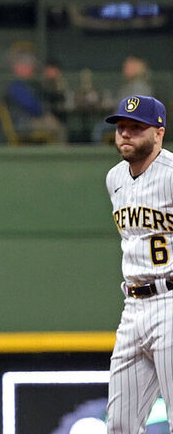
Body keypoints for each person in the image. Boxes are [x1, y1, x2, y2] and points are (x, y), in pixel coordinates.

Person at [104, 95, 173, 433]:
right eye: (121, 127)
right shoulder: (114, 178)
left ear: (159, 132)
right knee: (119, 424)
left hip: (171, 300)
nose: (126, 134)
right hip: (133, 307)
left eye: (136, 127)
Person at [5, 52, 68, 143]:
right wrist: (43, 111)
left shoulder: (26, 83)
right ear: (19, 68)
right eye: (28, 67)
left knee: (56, 122)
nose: (31, 70)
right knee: (57, 126)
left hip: (27, 120)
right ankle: (57, 155)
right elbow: (32, 106)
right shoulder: (16, 86)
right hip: (22, 123)